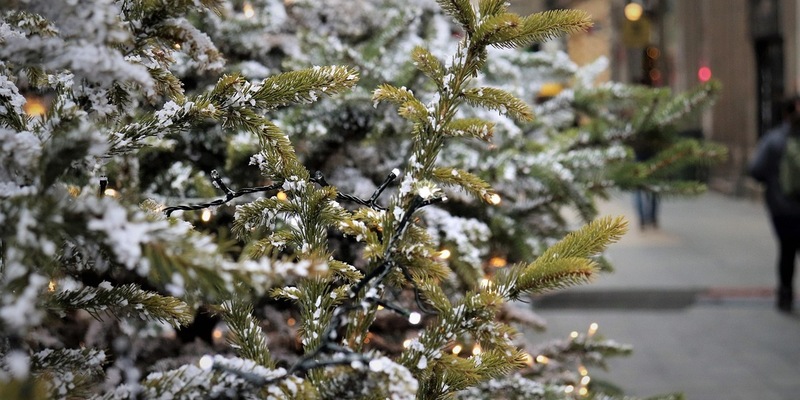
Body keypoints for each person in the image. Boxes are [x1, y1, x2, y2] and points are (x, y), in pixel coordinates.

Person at [749, 96, 800, 313]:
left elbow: (755, 170)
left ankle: (785, 295)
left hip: (782, 209)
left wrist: (773, 182)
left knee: (787, 252)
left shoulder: (773, 139)